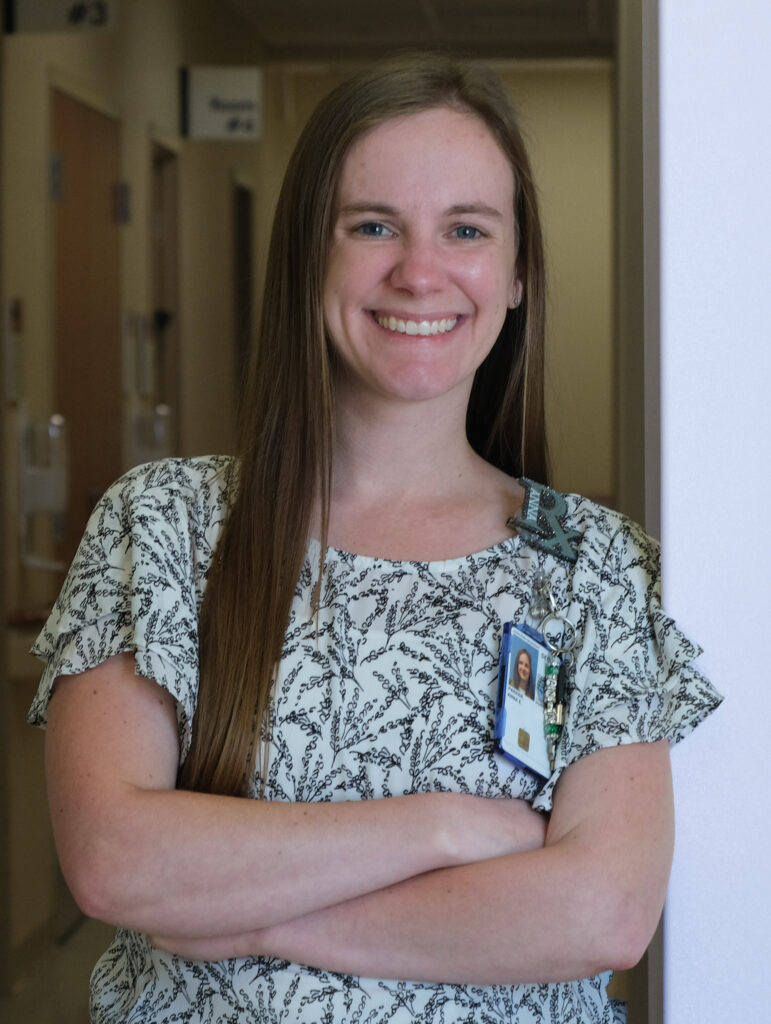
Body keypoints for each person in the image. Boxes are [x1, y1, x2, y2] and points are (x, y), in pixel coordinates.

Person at [29, 55, 722, 1024]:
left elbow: (602, 912)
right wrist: (443, 827)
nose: (420, 270)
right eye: (373, 225)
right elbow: (114, 863)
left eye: (467, 229)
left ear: (518, 273)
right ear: (309, 251)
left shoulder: (589, 563)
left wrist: (242, 915)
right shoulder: (164, 525)